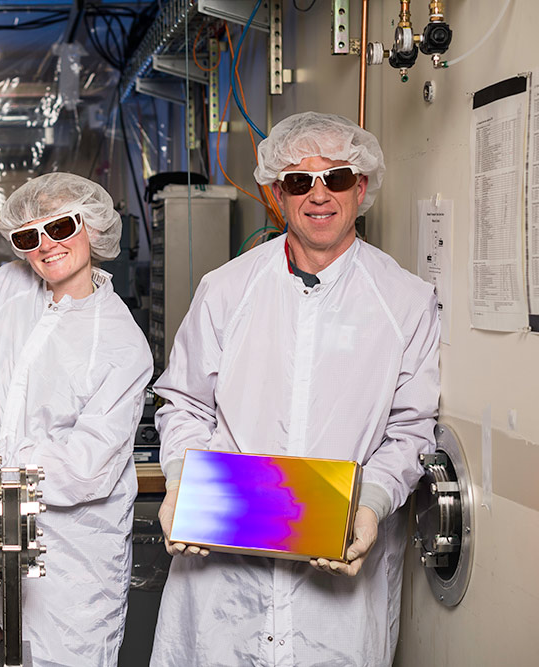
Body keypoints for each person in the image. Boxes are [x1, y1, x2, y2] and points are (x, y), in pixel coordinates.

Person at [150, 112, 440, 666]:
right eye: (298, 181)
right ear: (277, 194)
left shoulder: (404, 301)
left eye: (335, 177)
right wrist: (183, 483)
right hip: (223, 581)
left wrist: (372, 507)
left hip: (337, 586)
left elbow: (409, 430)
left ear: (361, 187)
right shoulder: (226, 289)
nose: (318, 194)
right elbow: (184, 402)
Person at [0, 173, 153, 666]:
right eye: (29, 236)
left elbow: (85, 470)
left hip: (70, 563)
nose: (45, 246)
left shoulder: (121, 344)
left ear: (92, 227)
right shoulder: (6, 287)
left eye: (60, 227)